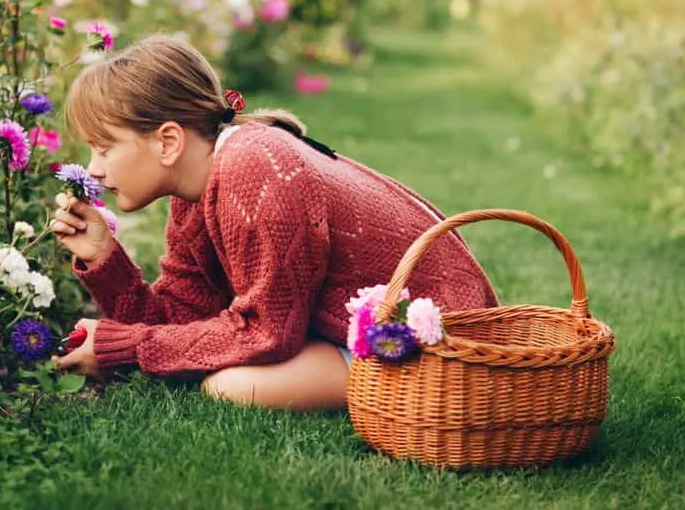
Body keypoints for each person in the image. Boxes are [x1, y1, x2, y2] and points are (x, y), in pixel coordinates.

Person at [50, 34, 498, 411]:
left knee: (229, 387)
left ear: (168, 141)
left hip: (438, 335)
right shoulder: (197, 190)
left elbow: (267, 335)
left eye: (104, 149)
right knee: (219, 367)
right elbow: (181, 319)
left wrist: (124, 347)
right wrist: (104, 259)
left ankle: (406, 382)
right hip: (345, 330)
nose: (93, 169)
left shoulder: (254, 170)